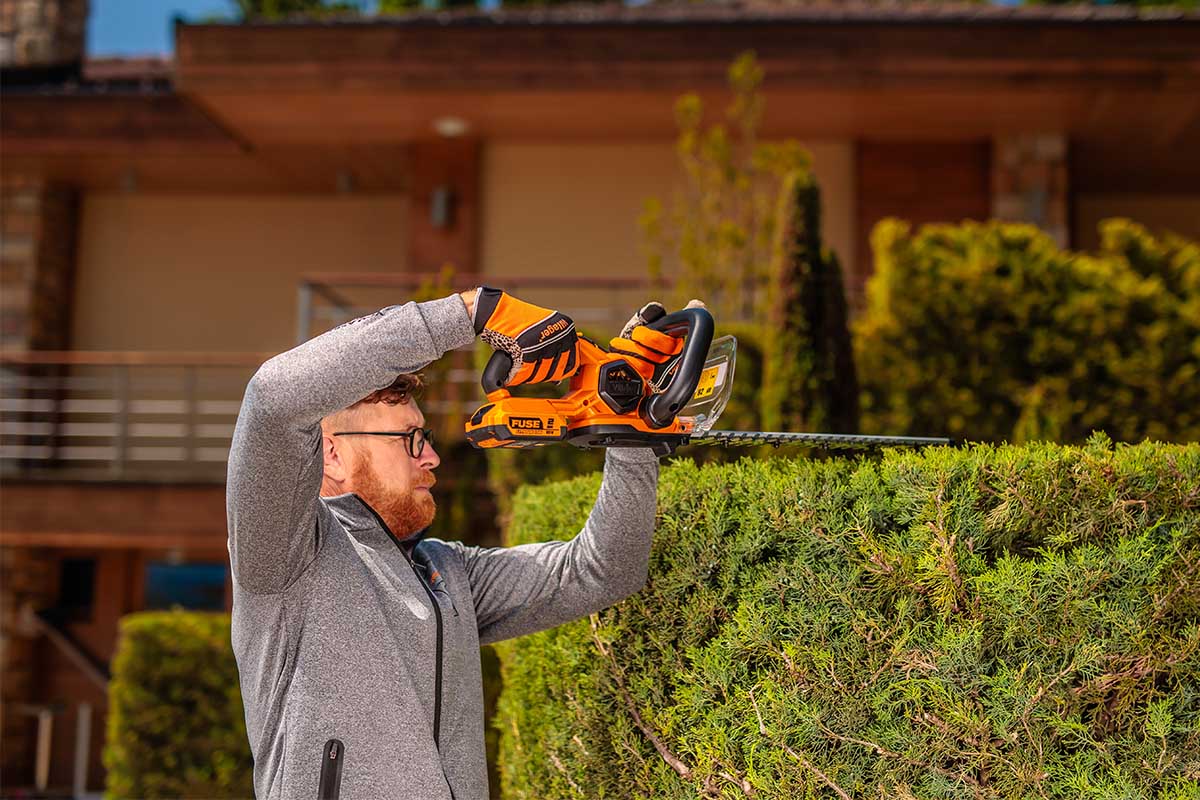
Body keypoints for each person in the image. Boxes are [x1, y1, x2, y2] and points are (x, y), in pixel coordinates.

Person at [226, 287, 676, 799]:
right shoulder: (285, 555)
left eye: (426, 439)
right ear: (331, 454)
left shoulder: (446, 572)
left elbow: (602, 571)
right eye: (409, 439)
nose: (432, 458)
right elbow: (272, 398)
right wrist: (473, 312)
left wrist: (630, 435)